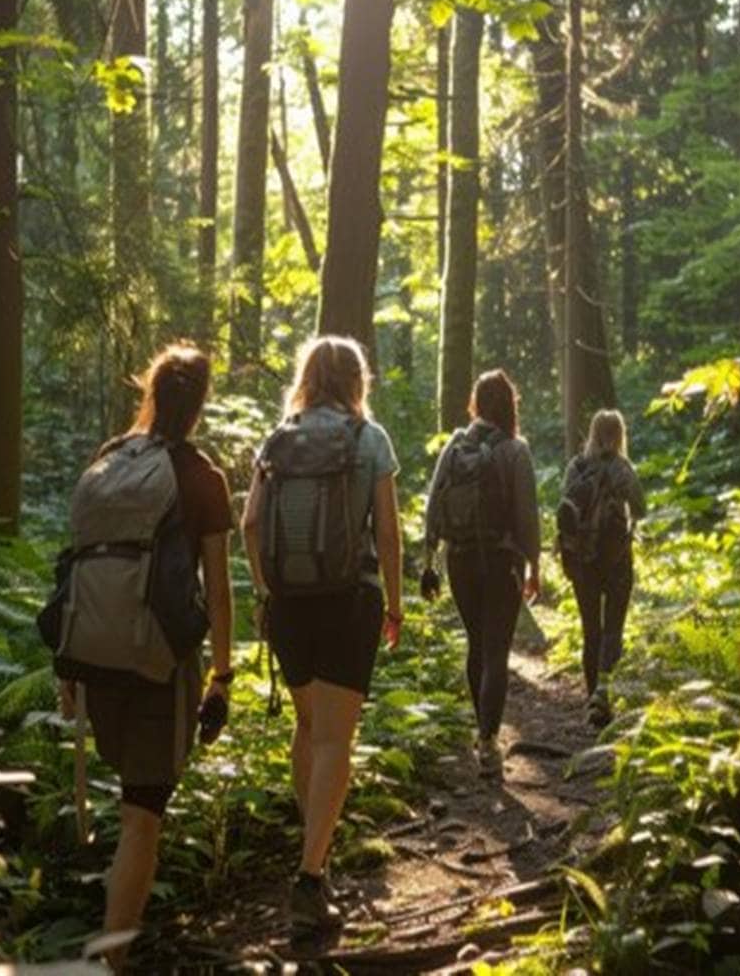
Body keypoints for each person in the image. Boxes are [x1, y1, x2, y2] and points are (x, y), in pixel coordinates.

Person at [58, 343, 234, 968]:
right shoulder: (201, 477)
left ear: (153, 394)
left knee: (130, 809)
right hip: (161, 663)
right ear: (200, 404)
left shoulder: (108, 460)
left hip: (95, 654)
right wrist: (222, 673)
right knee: (142, 817)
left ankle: (110, 940)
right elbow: (217, 590)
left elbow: (77, 565)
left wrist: (67, 663)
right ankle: (113, 959)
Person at [242, 335, 403, 936]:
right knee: (336, 738)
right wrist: (395, 603)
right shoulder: (370, 439)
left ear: (306, 377)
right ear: (356, 379)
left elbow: (251, 522)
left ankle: (317, 857)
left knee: (308, 727)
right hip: (349, 601)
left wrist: (265, 590)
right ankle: (310, 877)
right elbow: (387, 534)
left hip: (288, 604)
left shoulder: (278, 438)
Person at [423, 370, 541, 777]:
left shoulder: (455, 446)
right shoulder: (515, 450)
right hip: (502, 559)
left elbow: (433, 504)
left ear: (475, 403)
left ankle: (482, 731)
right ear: (510, 405)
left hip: (459, 559)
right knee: (496, 651)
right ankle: (489, 740)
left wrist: (428, 560)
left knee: (476, 644)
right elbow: (527, 514)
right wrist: (535, 565)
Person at [558, 409, 645, 727]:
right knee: (613, 631)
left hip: (582, 561)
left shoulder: (576, 468)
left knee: (590, 630)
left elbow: (565, 509)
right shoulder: (623, 468)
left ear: (592, 434)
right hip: (617, 559)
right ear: (620, 435)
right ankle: (603, 698)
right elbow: (642, 508)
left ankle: (591, 696)